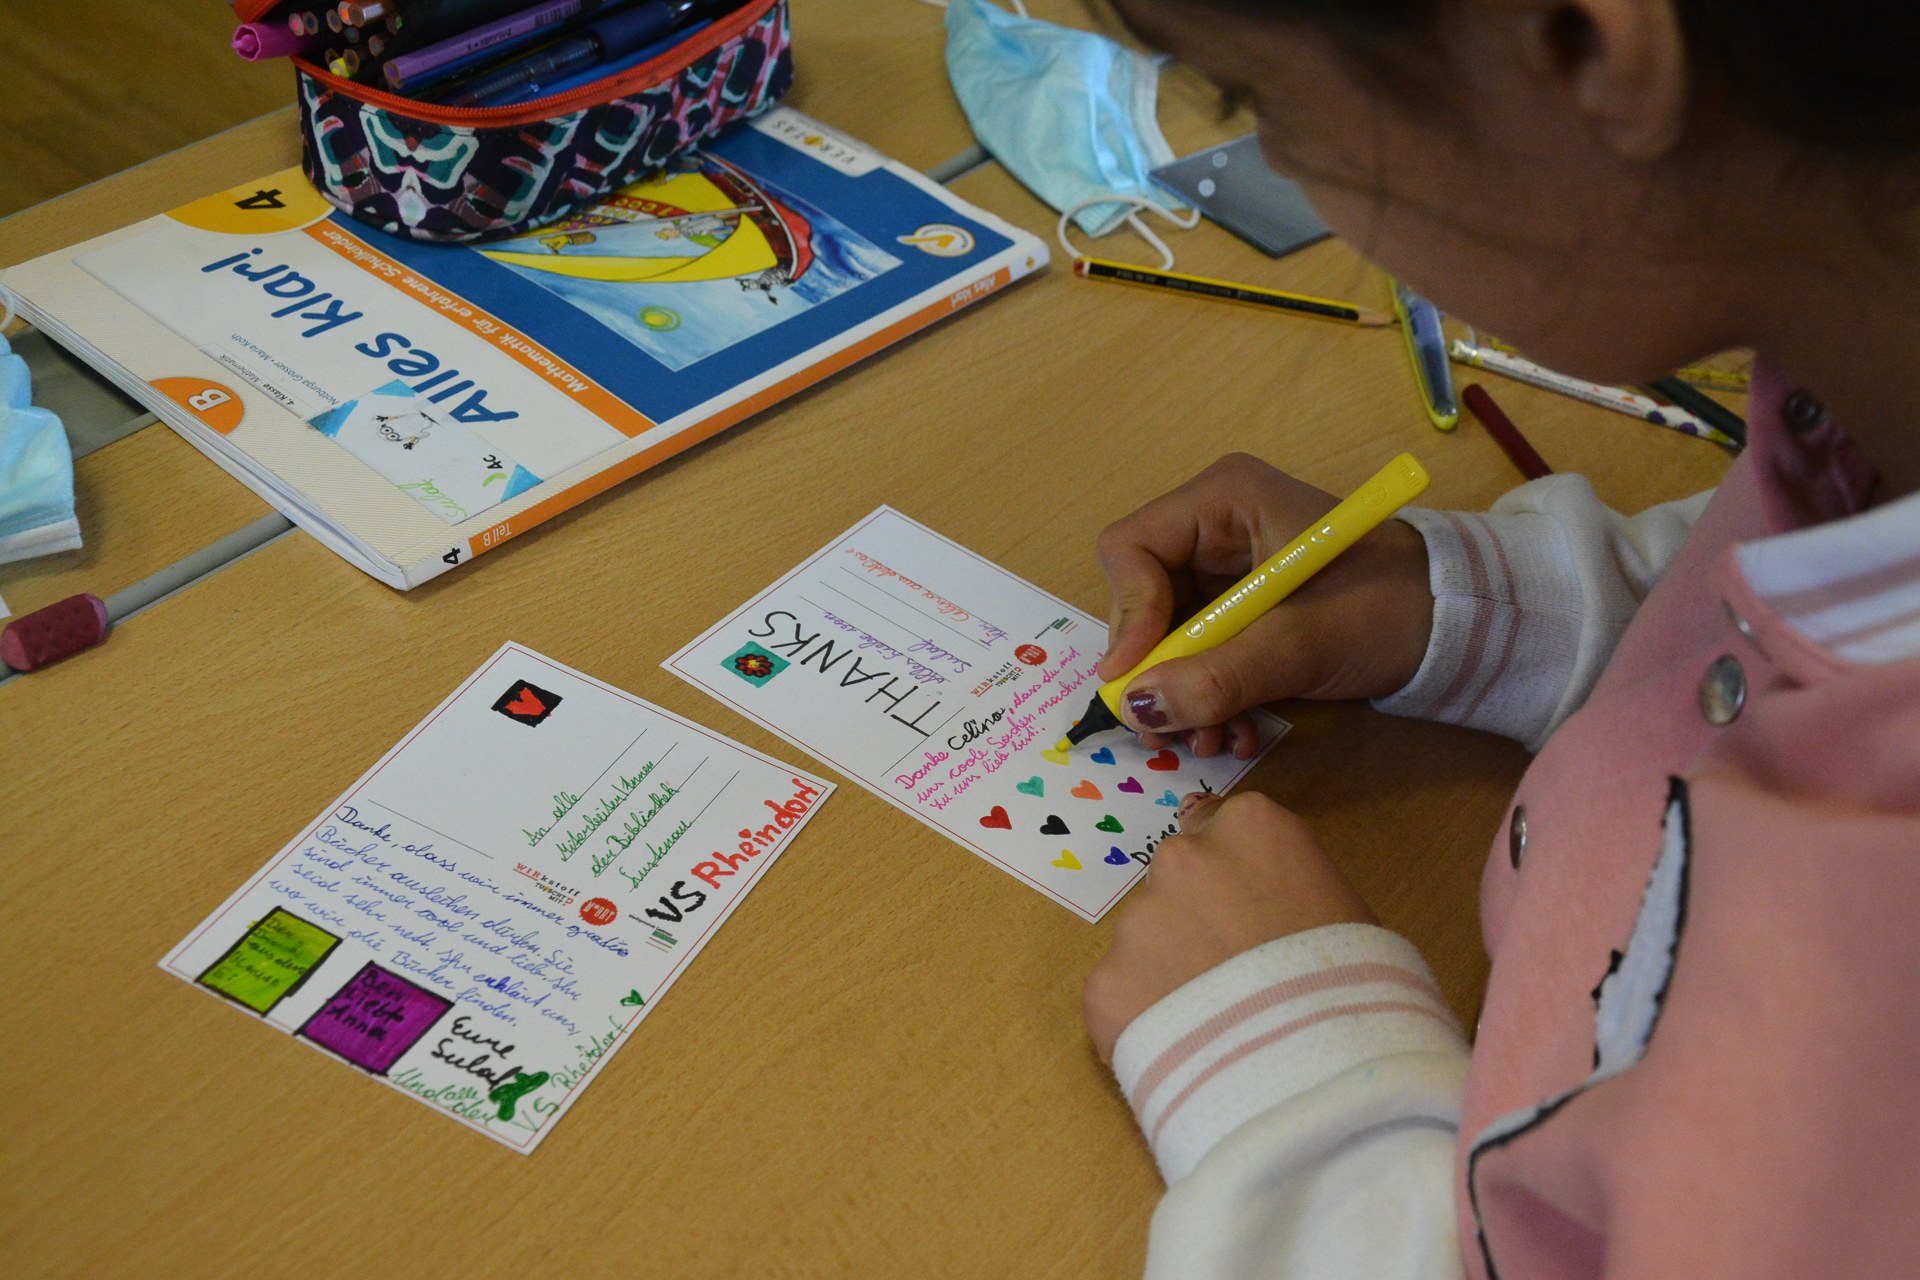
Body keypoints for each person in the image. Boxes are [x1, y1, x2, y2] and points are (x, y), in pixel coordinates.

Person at [1077, 2, 1920, 1276]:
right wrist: (1475, 605)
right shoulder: (1869, 387)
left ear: (1582, 44)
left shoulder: (1870, 970)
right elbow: (1767, 585)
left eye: (1261, 102)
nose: (1279, 166)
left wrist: (1299, 1068)